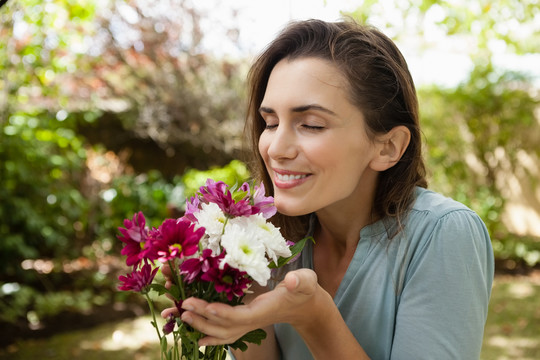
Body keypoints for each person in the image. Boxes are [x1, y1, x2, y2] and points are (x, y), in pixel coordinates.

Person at [162, 19, 494, 359]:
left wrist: (314, 316)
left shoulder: (443, 233)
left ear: (388, 147)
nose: (276, 148)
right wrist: (237, 296)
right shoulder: (267, 241)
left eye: (311, 125)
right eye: (271, 123)